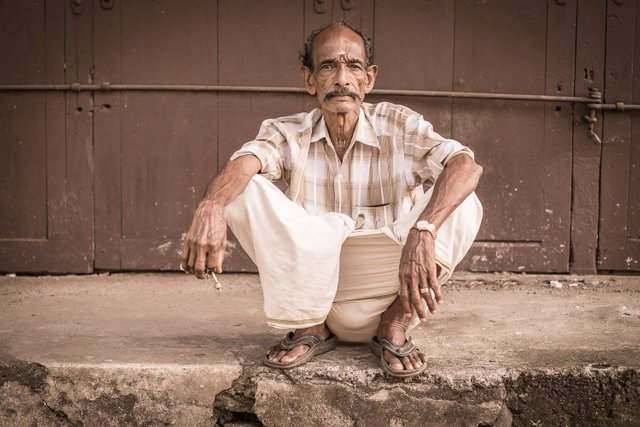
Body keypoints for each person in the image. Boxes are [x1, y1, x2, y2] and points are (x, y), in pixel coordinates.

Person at [180, 20, 483, 378]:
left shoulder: (399, 125)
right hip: (314, 291)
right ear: (309, 80)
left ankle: (394, 324)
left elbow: (465, 164)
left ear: (369, 79)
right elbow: (243, 164)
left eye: (353, 66)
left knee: (463, 200)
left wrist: (424, 230)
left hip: (389, 284)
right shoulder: (287, 131)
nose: (342, 78)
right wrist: (211, 205)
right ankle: (310, 326)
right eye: (328, 66)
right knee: (241, 188)